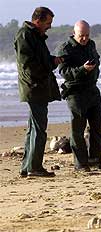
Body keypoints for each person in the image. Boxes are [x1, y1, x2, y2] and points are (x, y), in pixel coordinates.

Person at [14, 7, 64, 177]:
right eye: (48, 22)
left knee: (33, 129)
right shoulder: (25, 35)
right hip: (34, 87)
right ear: (38, 20)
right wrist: (50, 65)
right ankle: (34, 167)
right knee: (38, 129)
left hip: (37, 87)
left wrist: (53, 60)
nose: (49, 26)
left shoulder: (34, 36)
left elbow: (39, 60)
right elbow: (28, 65)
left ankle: (27, 167)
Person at [57, 20, 101, 172]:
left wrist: (92, 69)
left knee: (98, 124)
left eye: (87, 35)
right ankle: (81, 164)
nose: (84, 39)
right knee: (78, 129)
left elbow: (97, 62)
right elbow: (64, 72)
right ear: (74, 33)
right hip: (75, 92)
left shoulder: (91, 45)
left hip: (92, 90)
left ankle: (95, 160)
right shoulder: (65, 48)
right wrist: (82, 69)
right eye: (81, 36)